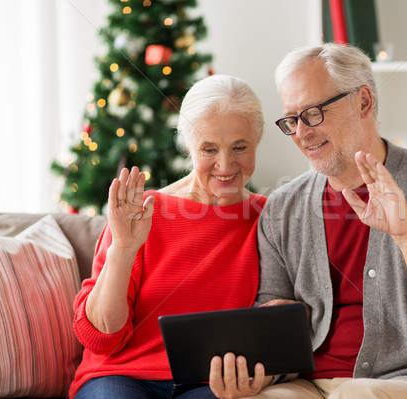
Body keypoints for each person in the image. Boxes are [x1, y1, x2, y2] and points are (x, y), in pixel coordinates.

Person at [208, 44, 407, 399]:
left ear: (363, 102)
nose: (301, 132)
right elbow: (274, 330)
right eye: (292, 120)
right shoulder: (283, 207)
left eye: (313, 113)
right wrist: (259, 372)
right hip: (307, 384)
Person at [70, 74, 267, 399]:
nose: (225, 163)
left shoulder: (270, 219)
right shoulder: (142, 211)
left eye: (240, 147)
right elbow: (100, 337)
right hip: (122, 376)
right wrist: (123, 246)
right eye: (209, 149)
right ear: (188, 145)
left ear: (257, 140)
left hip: (211, 384)